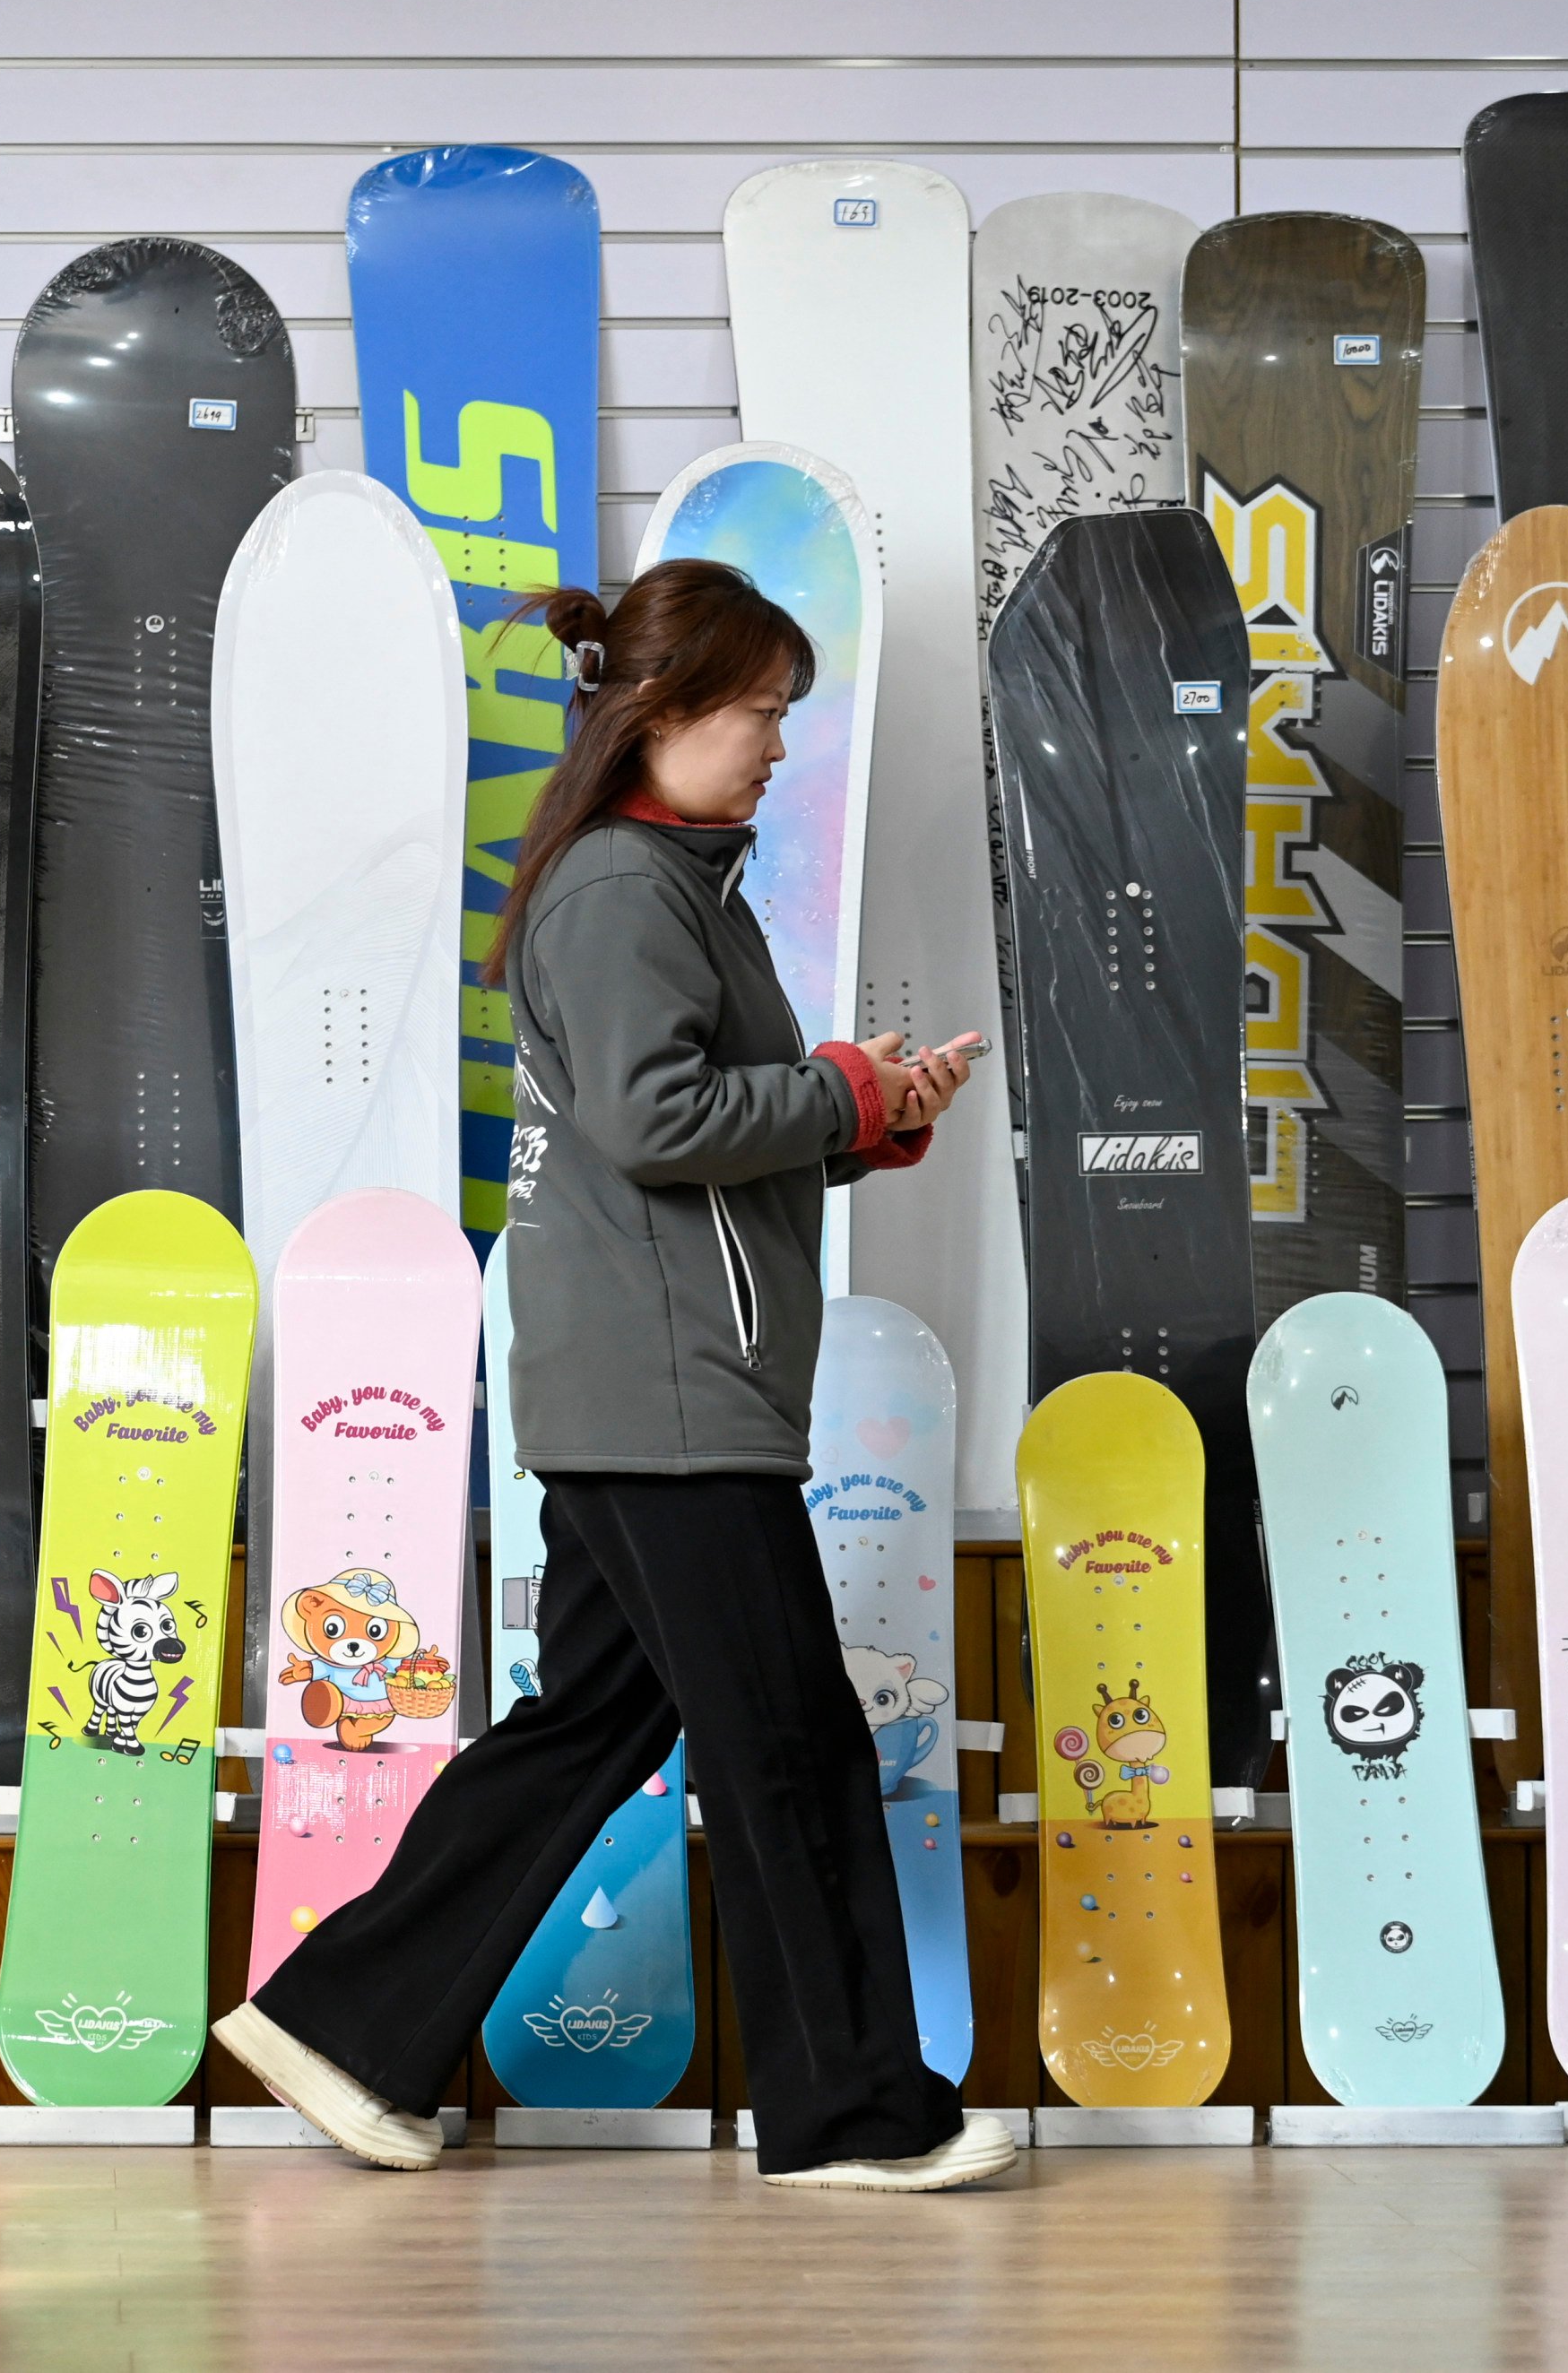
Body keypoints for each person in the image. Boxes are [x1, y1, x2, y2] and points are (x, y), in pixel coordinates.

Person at [212, 559, 1007, 2195]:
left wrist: (864, 1113)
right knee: (790, 1739)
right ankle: (854, 2111)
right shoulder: (626, 892)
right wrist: (842, 1094)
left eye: (789, 712)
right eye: (762, 711)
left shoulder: (669, 886)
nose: (781, 744)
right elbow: (657, 1125)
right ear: (664, 711)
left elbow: (697, 1130)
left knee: (585, 1724)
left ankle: (346, 2026)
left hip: (650, 1372)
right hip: (666, 1393)